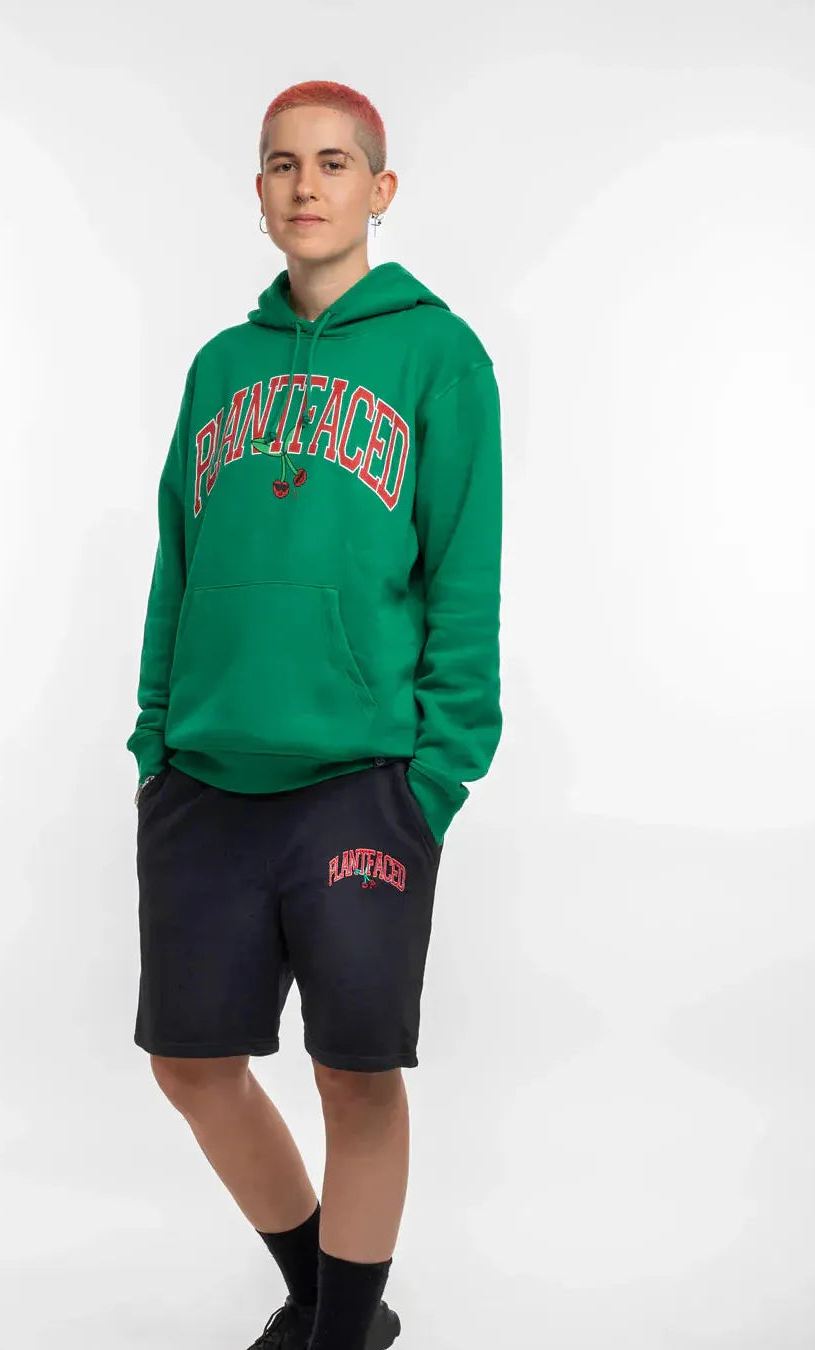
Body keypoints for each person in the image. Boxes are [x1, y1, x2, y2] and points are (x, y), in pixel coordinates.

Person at [127, 79, 503, 1350]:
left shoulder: (437, 356)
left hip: (360, 779)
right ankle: (327, 1298)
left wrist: (432, 778)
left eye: (334, 163)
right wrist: (154, 740)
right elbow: (176, 563)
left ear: (378, 191)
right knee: (191, 1064)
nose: (306, 185)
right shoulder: (219, 367)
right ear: (258, 193)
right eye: (283, 164)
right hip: (203, 777)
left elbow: (463, 577)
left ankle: (341, 1334)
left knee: (354, 1072)